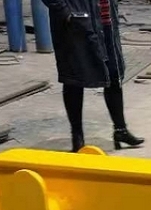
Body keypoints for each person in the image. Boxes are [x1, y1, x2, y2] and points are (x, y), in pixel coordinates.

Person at [41, 0, 144, 152]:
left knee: (113, 74)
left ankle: (120, 130)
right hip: (77, 21)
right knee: (74, 77)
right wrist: (65, 12)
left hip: (105, 18)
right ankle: (77, 137)